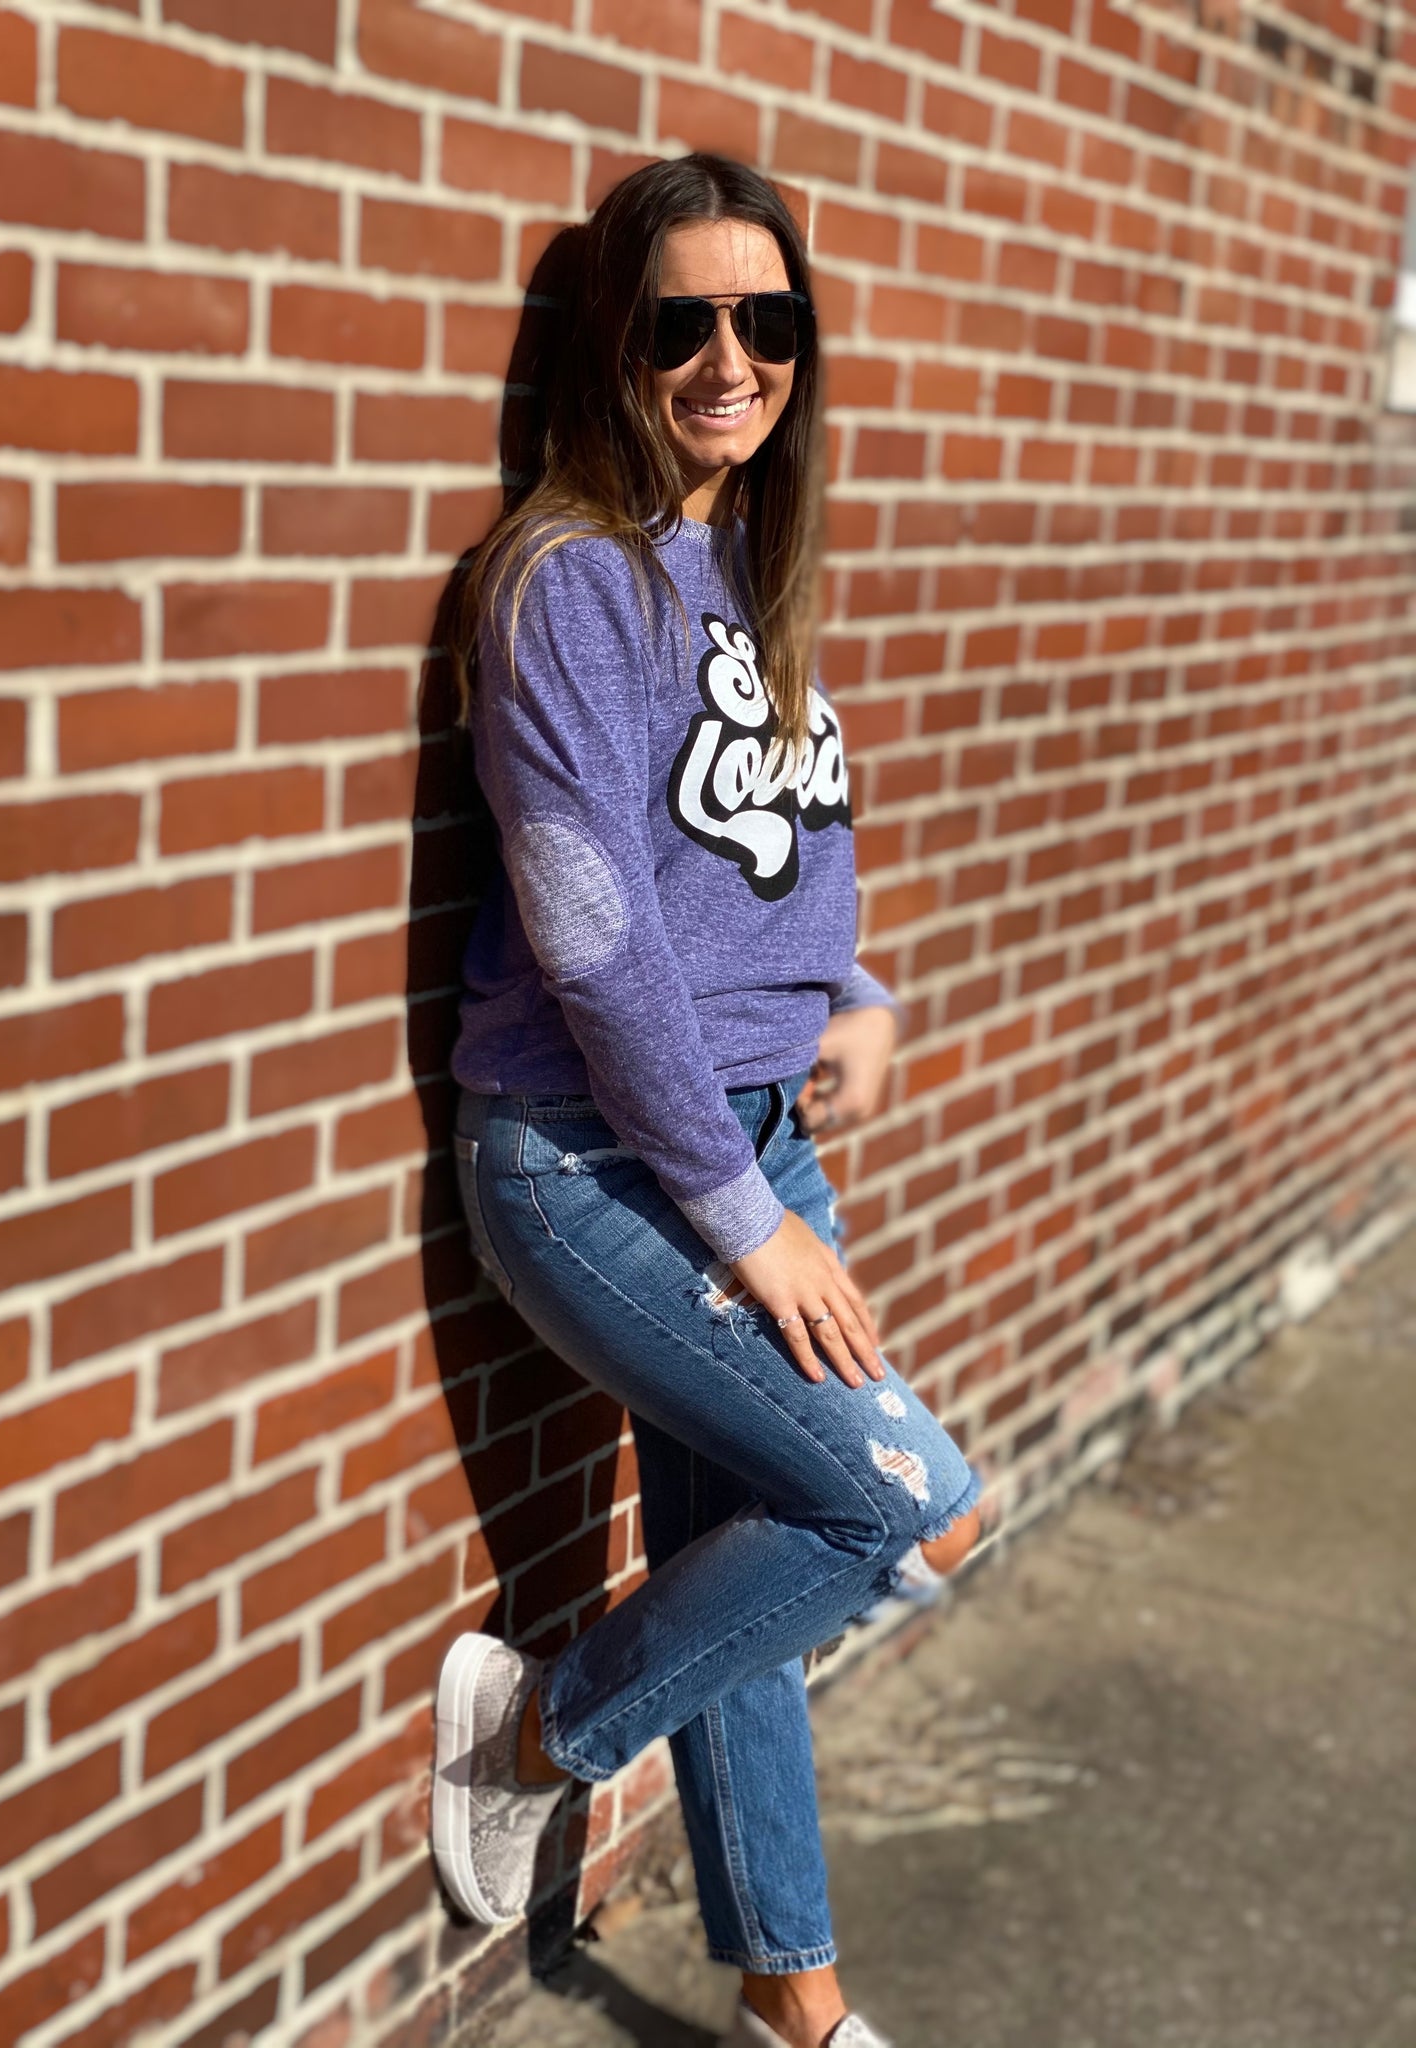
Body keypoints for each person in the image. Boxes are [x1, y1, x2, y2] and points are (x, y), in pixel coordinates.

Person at [432, 152, 984, 2048]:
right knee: (903, 1510)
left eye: (768, 318)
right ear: (621, 342)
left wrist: (856, 991)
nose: (730, 358)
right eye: (685, 321)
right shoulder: (566, 588)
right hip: (587, 1157)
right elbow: (596, 943)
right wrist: (746, 1229)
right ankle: (540, 1735)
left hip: (747, 1131)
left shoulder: (747, 561)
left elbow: (778, 854)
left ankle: (793, 2003)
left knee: (758, 1540)